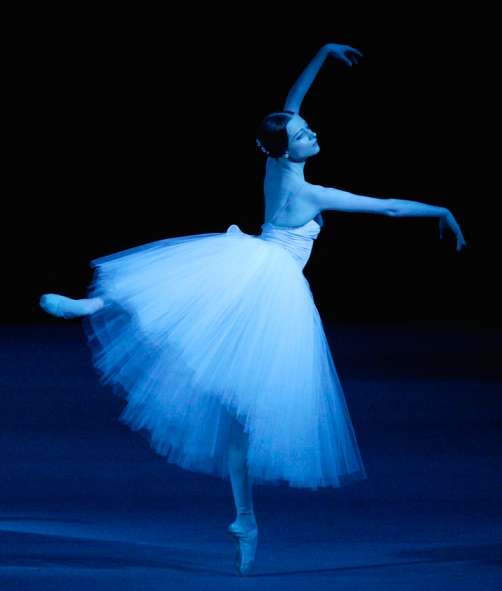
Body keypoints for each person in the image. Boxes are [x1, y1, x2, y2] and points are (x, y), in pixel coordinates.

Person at [40, 43, 465, 577]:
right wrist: (442, 209)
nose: (312, 134)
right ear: (286, 151)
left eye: (308, 128)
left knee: (188, 307)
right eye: (303, 136)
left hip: (252, 265)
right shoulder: (311, 193)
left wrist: (321, 55)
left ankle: (94, 303)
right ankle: (244, 518)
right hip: (273, 289)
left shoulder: (273, 161)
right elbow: (389, 207)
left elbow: (290, 102)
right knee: (239, 414)